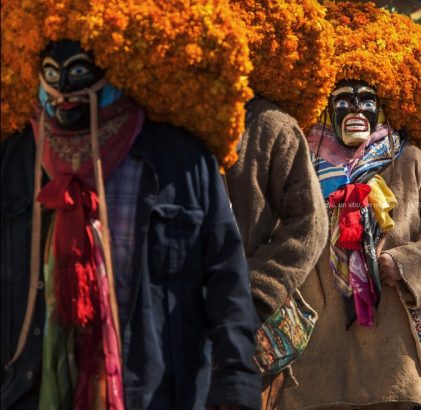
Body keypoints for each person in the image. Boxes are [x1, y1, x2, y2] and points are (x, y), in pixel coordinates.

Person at [1, 2, 262, 409]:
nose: (65, 91)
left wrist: (236, 389)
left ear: (116, 68)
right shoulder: (13, 162)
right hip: (28, 394)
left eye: (80, 73)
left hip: (156, 393)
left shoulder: (182, 162)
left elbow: (227, 282)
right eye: (52, 75)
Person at [278, 3, 421, 409]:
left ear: (382, 105)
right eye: (343, 98)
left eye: (366, 99)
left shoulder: (413, 160)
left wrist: (404, 263)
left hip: (393, 349)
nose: (355, 108)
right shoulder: (300, 159)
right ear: (325, 105)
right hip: (320, 346)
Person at [224, 2, 334, 408]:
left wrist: (256, 294)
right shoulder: (159, 124)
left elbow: (309, 224)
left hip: (247, 327)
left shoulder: (272, 127)